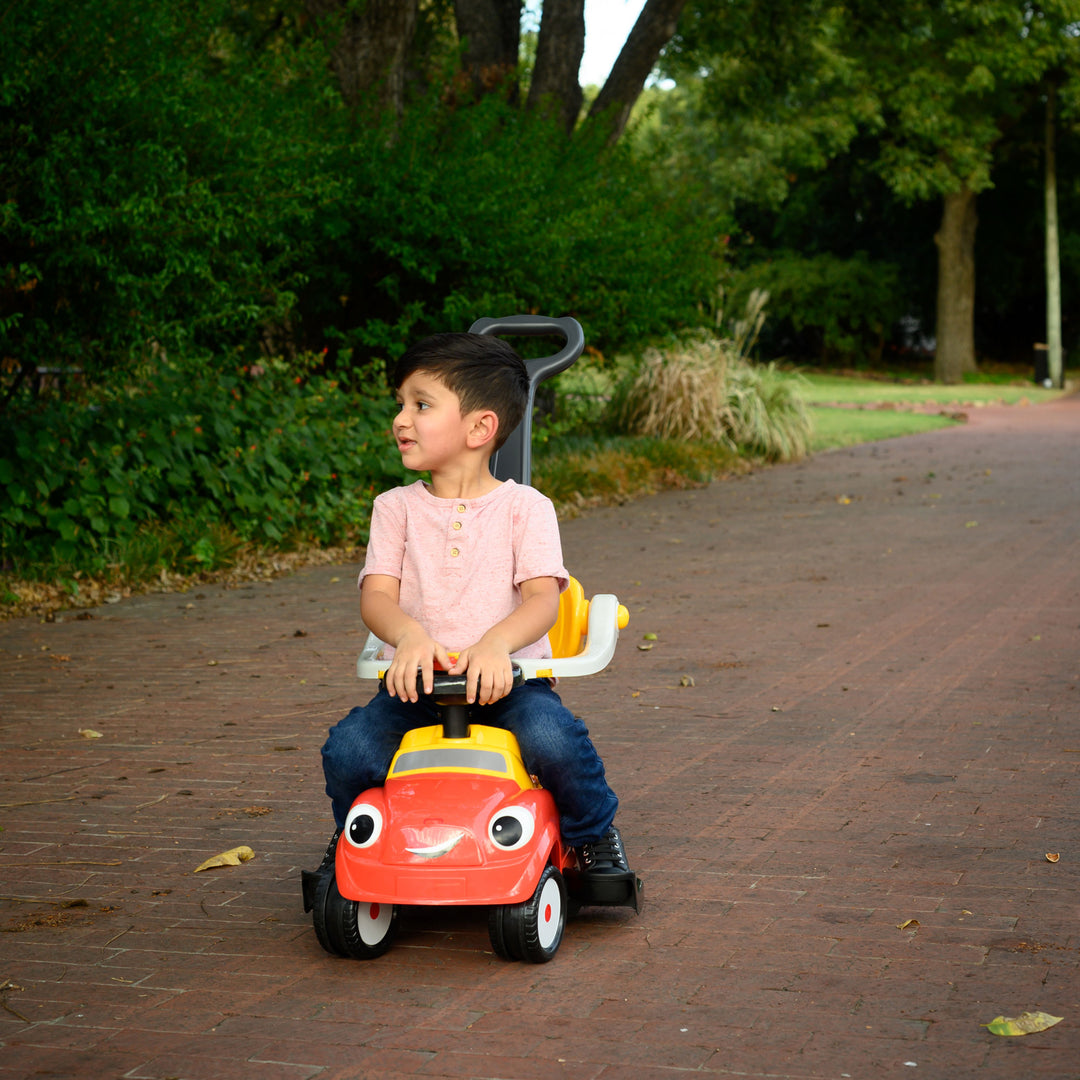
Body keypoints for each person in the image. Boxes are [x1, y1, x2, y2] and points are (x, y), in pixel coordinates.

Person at [314, 332, 627, 884]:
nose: (401, 419)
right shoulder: (395, 509)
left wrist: (495, 644)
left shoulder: (525, 509)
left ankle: (592, 833)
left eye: (421, 404)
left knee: (552, 740)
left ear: (480, 428)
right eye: (401, 404)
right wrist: (409, 636)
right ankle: (357, 837)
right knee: (349, 748)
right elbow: (376, 596)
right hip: (416, 687)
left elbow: (543, 599)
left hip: (512, 684)